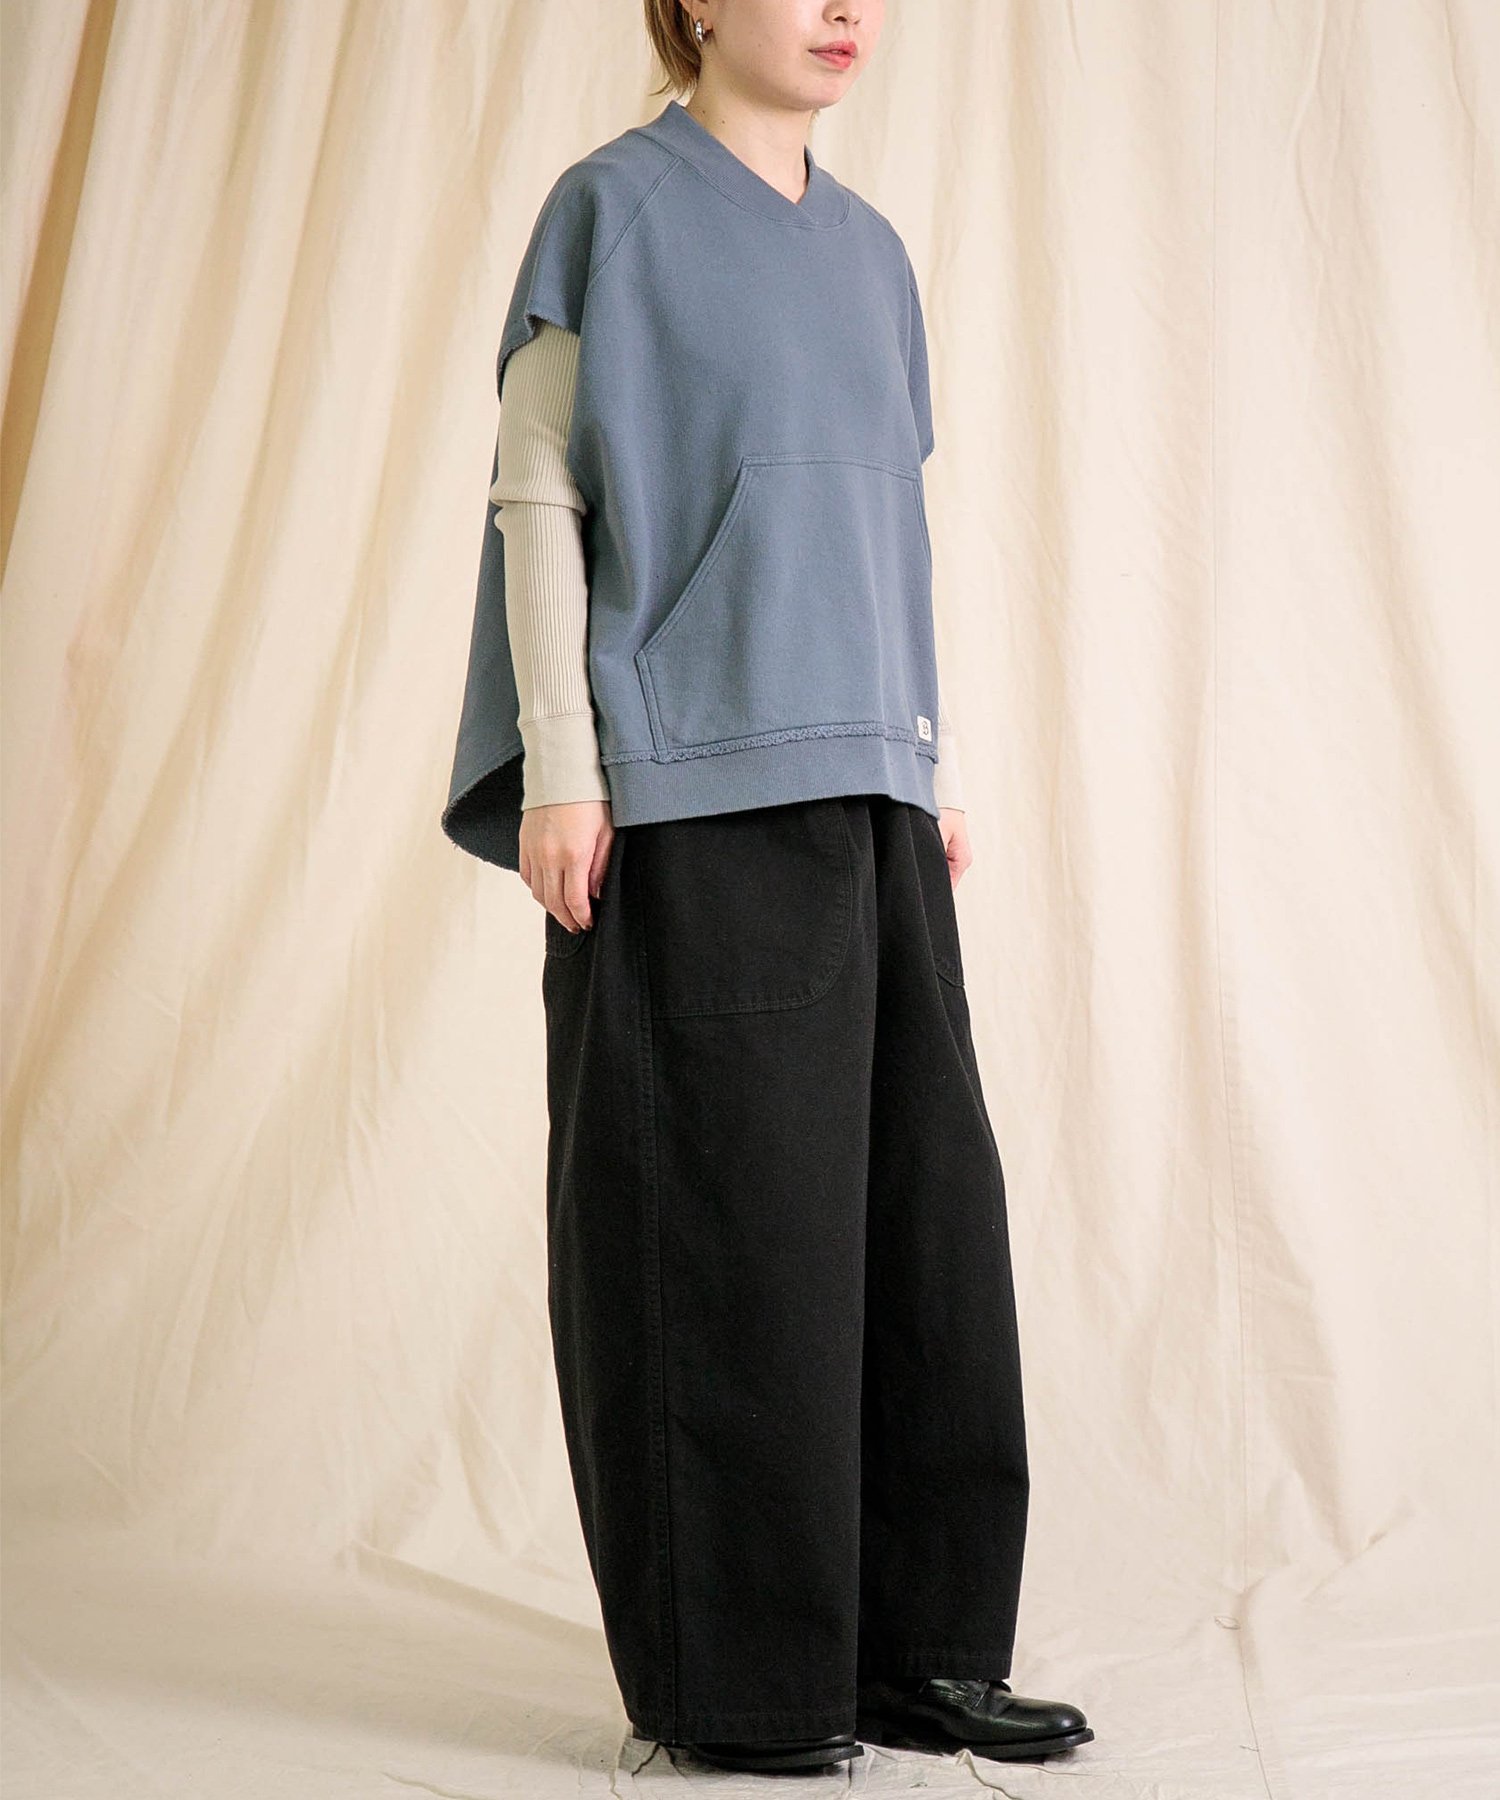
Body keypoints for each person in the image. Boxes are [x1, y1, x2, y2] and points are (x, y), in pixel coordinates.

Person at [441, 0, 1093, 1778]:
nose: (842, 7)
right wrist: (564, 767)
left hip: (870, 787)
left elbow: (880, 527)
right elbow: (536, 493)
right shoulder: (614, 208)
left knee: (922, 1233)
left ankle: (920, 1653)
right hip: (690, 791)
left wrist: (923, 762)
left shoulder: (873, 256)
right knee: (723, 1243)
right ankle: (740, 1687)